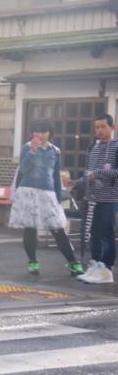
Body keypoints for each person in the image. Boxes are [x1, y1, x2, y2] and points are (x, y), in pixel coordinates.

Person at [9, 121, 83, 276]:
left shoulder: (55, 151)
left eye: (44, 131)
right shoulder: (27, 147)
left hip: (48, 193)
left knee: (57, 228)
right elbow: (23, 169)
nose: (40, 135)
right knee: (30, 228)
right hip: (28, 191)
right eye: (37, 132)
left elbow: (56, 175)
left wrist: (57, 196)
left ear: (50, 132)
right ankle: (33, 262)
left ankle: (73, 262)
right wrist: (32, 152)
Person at [74, 113, 118, 284]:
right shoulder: (93, 148)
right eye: (96, 127)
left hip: (109, 199)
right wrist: (75, 182)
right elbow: (87, 174)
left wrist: (98, 174)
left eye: (103, 127)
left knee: (106, 234)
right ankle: (95, 267)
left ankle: (106, 270)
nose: (99, 130)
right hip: (91, 198)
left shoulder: (116, 147)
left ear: (112, 128)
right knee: (94, 234)